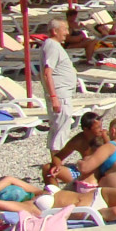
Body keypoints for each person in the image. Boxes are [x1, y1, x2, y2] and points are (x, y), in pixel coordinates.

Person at [37, 19, 78, 155]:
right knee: (61, 129)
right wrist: (54, 97)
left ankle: (56, 163)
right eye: (64, 29)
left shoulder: (53, 46)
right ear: (55, 31)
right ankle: (57, 165)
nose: (67, 32)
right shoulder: (52, 46)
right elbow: (47, 73)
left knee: (59, 128)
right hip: (60, 95)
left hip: (62, 94)